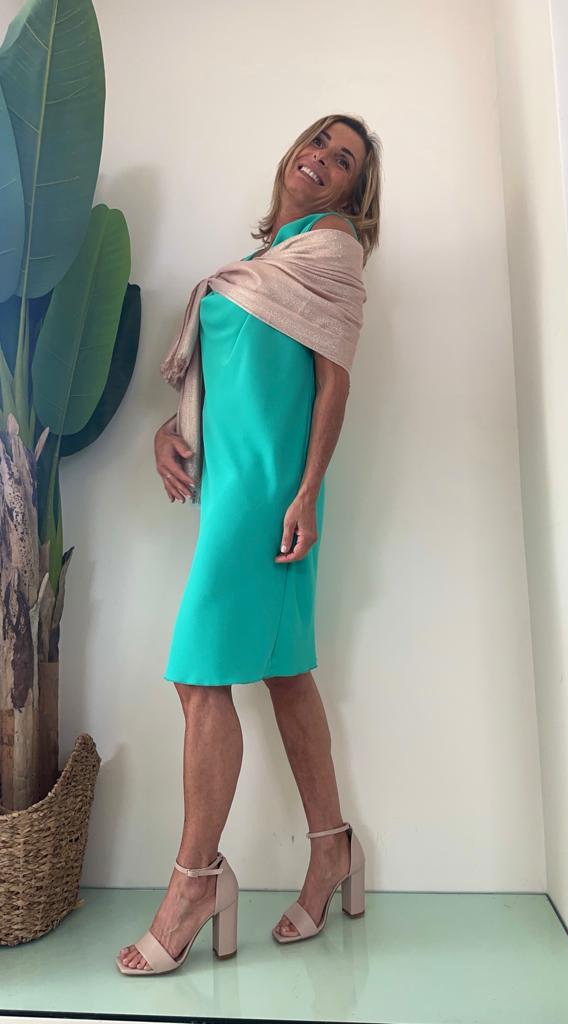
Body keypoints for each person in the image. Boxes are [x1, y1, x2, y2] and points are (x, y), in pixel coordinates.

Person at [117, 113, 381, 974]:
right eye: (318, 142)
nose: (322, 158)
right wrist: (170, 431)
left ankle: (195, 882)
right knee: (285, 674)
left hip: (270, 496)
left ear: (354, 190)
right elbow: (230, 380)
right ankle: (333, 848)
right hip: (231, 488)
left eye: (343, 159)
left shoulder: (332, 251)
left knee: (199, 677)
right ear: (293, 153)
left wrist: (305, 492)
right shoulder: (268, 259)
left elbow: (333, 383)